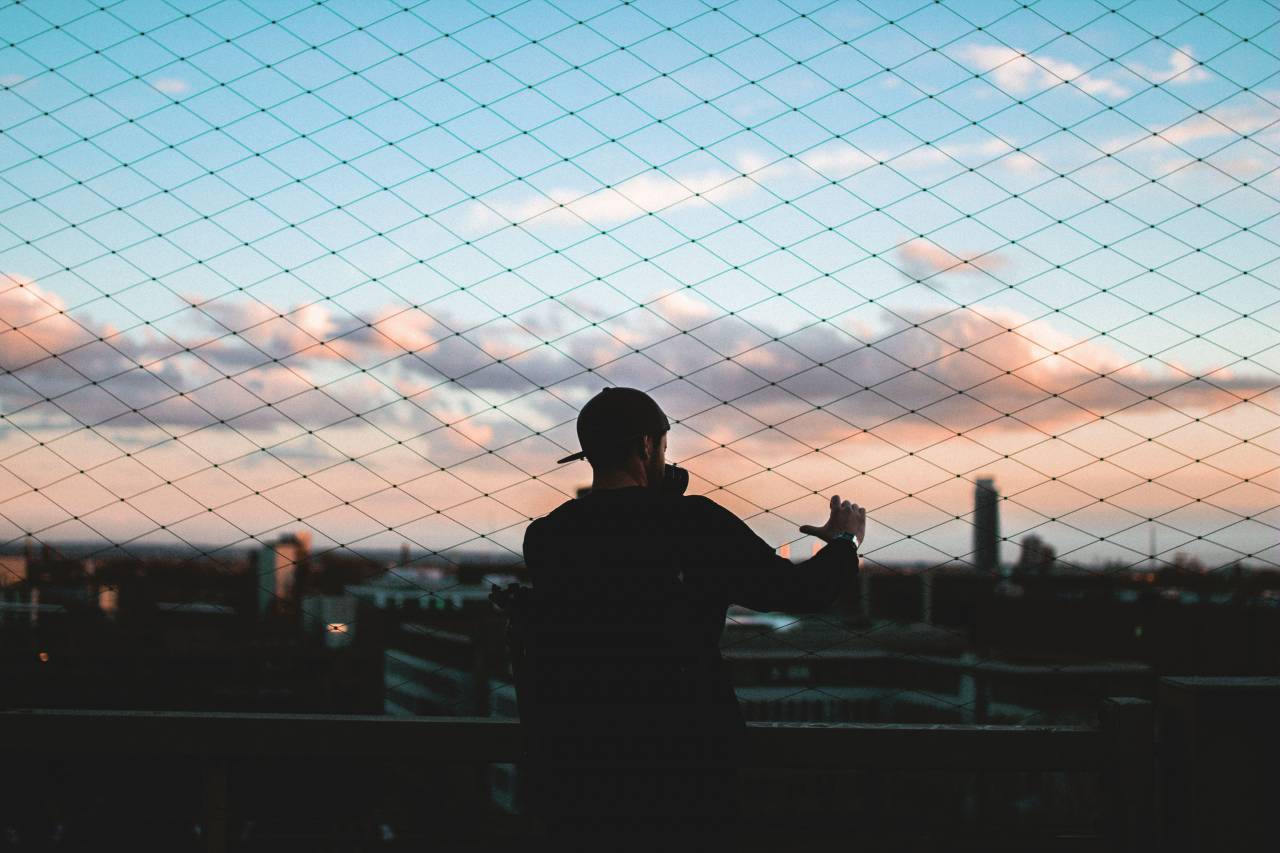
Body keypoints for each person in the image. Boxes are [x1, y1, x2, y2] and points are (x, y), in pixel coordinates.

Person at [519, 387, 865, 848]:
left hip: (580, 755)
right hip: (683, 755)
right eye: (664, 443)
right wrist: (843, 545)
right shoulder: (692, 522)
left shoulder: (546, 537)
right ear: (647, 445)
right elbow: (799, 592)